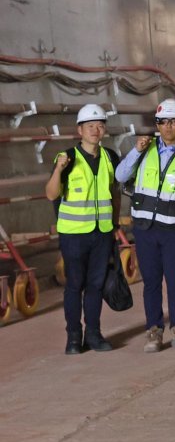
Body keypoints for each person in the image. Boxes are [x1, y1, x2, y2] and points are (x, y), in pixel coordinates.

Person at [115, 98, 175, 352]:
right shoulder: (144, 150)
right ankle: (154, 331)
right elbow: (120, 176)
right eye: (163, 122)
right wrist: (136, 151)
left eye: (173, 122)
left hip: (174, 229)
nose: (168, 127)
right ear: (157, 125)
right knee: (151, 281)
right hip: (145, 228)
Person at [46, 104, 120, 355]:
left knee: (96, 285)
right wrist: (58, 169)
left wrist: (115, 223)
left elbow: (114, 193)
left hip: (102, 232)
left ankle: (94, 334)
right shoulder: (66, 157)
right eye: (90, 126)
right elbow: (51, 194)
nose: (96, 130)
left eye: (100, 126)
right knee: (74, 285)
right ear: (80, 130)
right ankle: (73, 338)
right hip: (74, 234)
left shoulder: (110, 157)